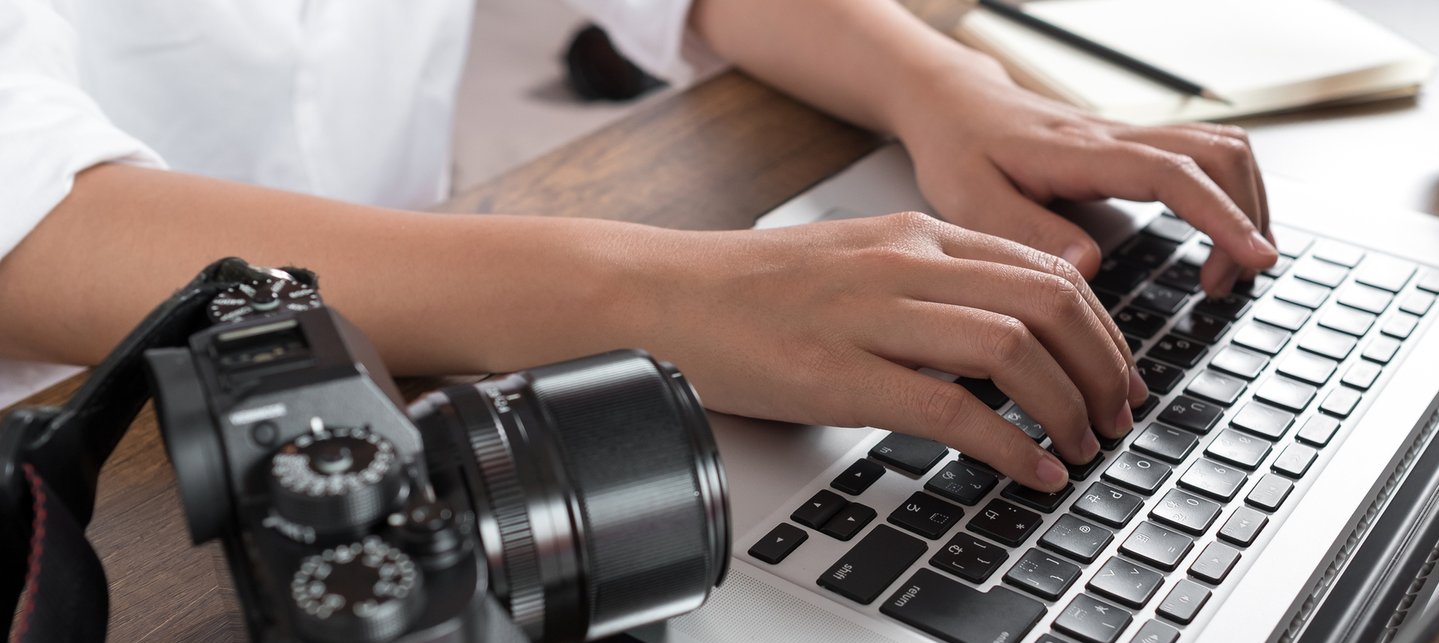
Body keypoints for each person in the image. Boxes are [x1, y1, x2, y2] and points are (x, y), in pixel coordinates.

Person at [0, 0, 1276, 494]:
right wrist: (659, 290)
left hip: (403, 401)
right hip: (87, 472)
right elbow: (40, 222)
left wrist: (947, 87)